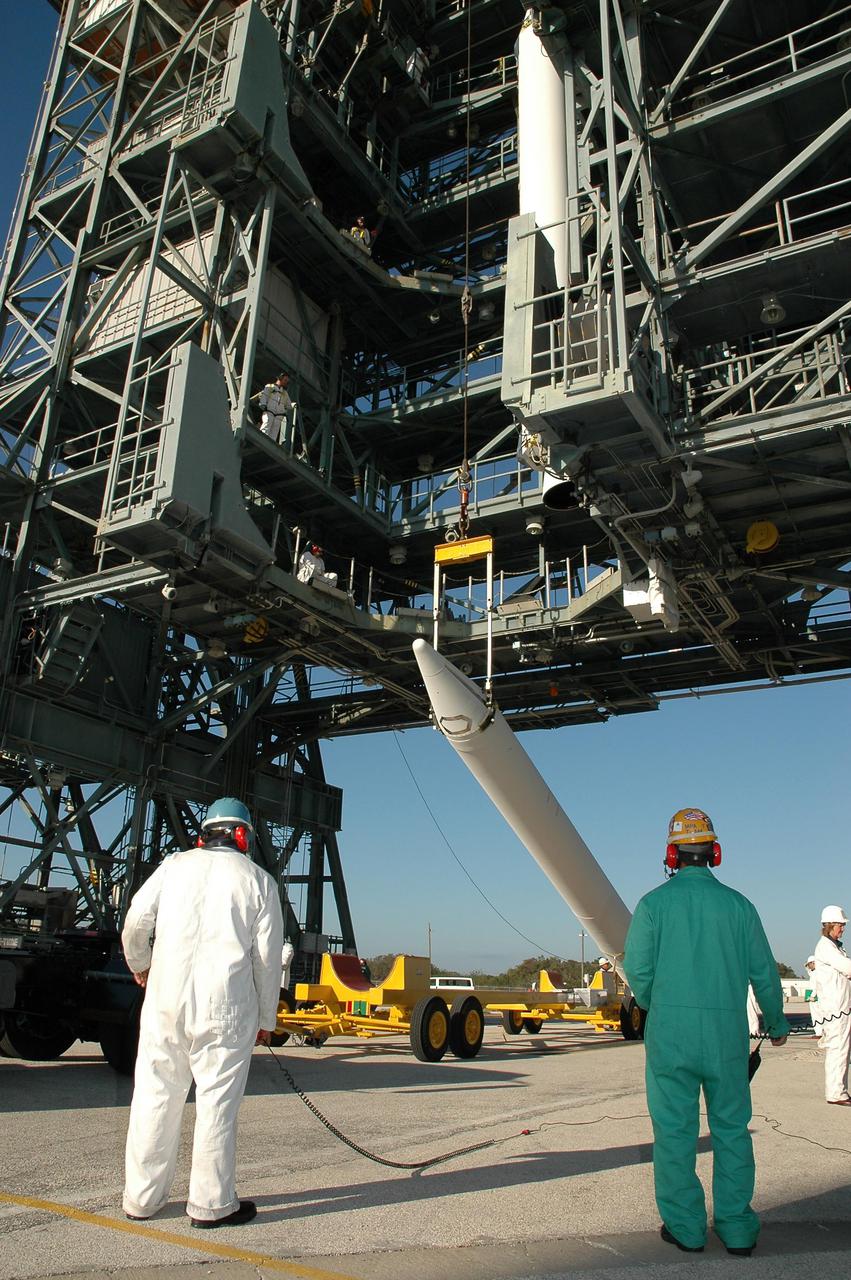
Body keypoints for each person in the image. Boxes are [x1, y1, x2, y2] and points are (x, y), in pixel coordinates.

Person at [623, 807, 789, 1258]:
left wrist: (663, 1006)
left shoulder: (652, 905)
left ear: (671, 855)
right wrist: (776, 1023)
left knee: (675, 1133)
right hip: (725, 1038)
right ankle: (737, 1229)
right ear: (715, 852)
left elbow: (638, 972)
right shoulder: (740, 907)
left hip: (670, 1037)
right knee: (732, 1129)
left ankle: (687, 1229)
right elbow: (764, 974)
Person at [122, 797, 283, 1228]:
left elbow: (136, 920)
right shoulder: (259, 882)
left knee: (155, 1095)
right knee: (216, 1104)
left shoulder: (173, 866)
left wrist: (140, 963)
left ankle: (141, 1200)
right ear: (243, 836)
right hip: (225, 1010)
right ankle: (211, 1206)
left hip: (164, 1001)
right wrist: (266, 1019)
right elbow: (268, 961)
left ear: (204, 834)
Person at [812, 906, 851, 1104]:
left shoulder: (835, 947)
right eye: (840, 925)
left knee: (842, 1050)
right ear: (830, 925)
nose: (842, 928)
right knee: (838, 1050)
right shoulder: (826, 947)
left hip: (841, 1007)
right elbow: (847, 967)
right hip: (836, 1009)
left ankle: (839, 1090)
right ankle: (836, 1093)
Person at [257, 372, 293, 444]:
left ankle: (270, 444)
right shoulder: (270, 387)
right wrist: (263, 405)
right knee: (267, 425)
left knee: (275, 431)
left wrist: (285, 409)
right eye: (285, 380)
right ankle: (261, 441)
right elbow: (264, 397)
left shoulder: (284, 393)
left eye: (287, 381)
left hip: (279, 415)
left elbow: (289, 405)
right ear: (280, 378)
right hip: (269, 411)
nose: (286, 382)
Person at [804, 954, 822, 1043]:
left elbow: (816, 986)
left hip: (815, 997)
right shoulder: (814, 973)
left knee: (817, 1015)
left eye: (810, 964)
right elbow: (808, 971)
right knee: (817, 1015)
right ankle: (820, 1032)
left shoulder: (817, 973)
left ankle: (819, 1033)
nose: (809, 966)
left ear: (814, 963)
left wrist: (813, 996)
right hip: (814, 996)